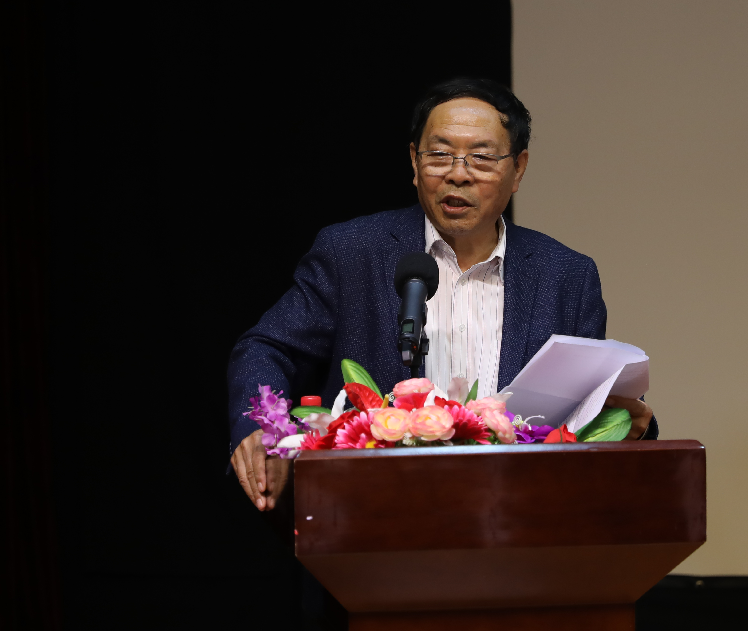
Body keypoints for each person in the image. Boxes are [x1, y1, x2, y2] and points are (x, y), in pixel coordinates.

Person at [228, 78, 658, 511]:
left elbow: (591, 405)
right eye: (439, 154)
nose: (458, 173)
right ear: (414, 162)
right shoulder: (352, 253)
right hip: (372, 512)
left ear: (518, 169)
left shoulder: (565, 274)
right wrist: (264, 431)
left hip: (519, 515)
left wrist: (625, 420)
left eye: (482, 157)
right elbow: (266, 348)